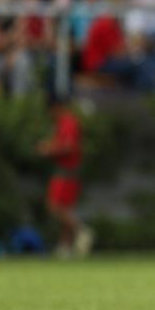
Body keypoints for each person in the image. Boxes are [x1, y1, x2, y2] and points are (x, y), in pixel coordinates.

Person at [37, 97, 93, 257]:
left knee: (54, 207)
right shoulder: (64, 123)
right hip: (69, 172)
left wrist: (48, 150)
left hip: (66, 172)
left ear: (56, 107)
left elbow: (68, 147)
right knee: (66, 210)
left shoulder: (68, 122)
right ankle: (64, 247)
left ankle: (81, 230)